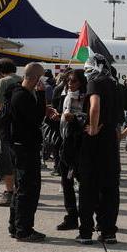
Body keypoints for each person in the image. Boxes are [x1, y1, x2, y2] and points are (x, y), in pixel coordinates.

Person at [77, 55, 127, 245]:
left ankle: (86, 232)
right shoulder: (116, 86)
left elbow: (95, 106)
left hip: (94, 144)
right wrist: (120, 135)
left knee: (88, 189)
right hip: (111, 144)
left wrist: (93, 128)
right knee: (110, 190)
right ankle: (108, 232)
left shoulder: (95, 83)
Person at [7, 63, 54, 242]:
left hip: (20, 146)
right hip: (25, 148)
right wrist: (42, 96)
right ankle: (24, 229)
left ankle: (16, 226)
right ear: (35, 78)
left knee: (21, 189)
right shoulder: (22, 96)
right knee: (29, 189)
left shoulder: (18, 93)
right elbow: (35, 119)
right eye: (40, 79)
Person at [57, 69, 86, 231]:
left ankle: (88, 215)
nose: (69, 83)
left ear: (81, 82)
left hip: (79, 146)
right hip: (66, 143)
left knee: (84, 184)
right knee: (66, 182)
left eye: (73, 81)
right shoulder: (67, 96)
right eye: (68, 80)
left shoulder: (85, 98)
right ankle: (72, 216)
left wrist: (75, 118)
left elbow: (89, 118)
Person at [0, 59, 22, 206]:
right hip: (21, 126)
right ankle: (19, 191)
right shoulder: (22, 80)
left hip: (5, 127)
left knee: (5, 160)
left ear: (0, 71)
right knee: (18, 161)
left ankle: (9, 193)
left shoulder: (2, 82)